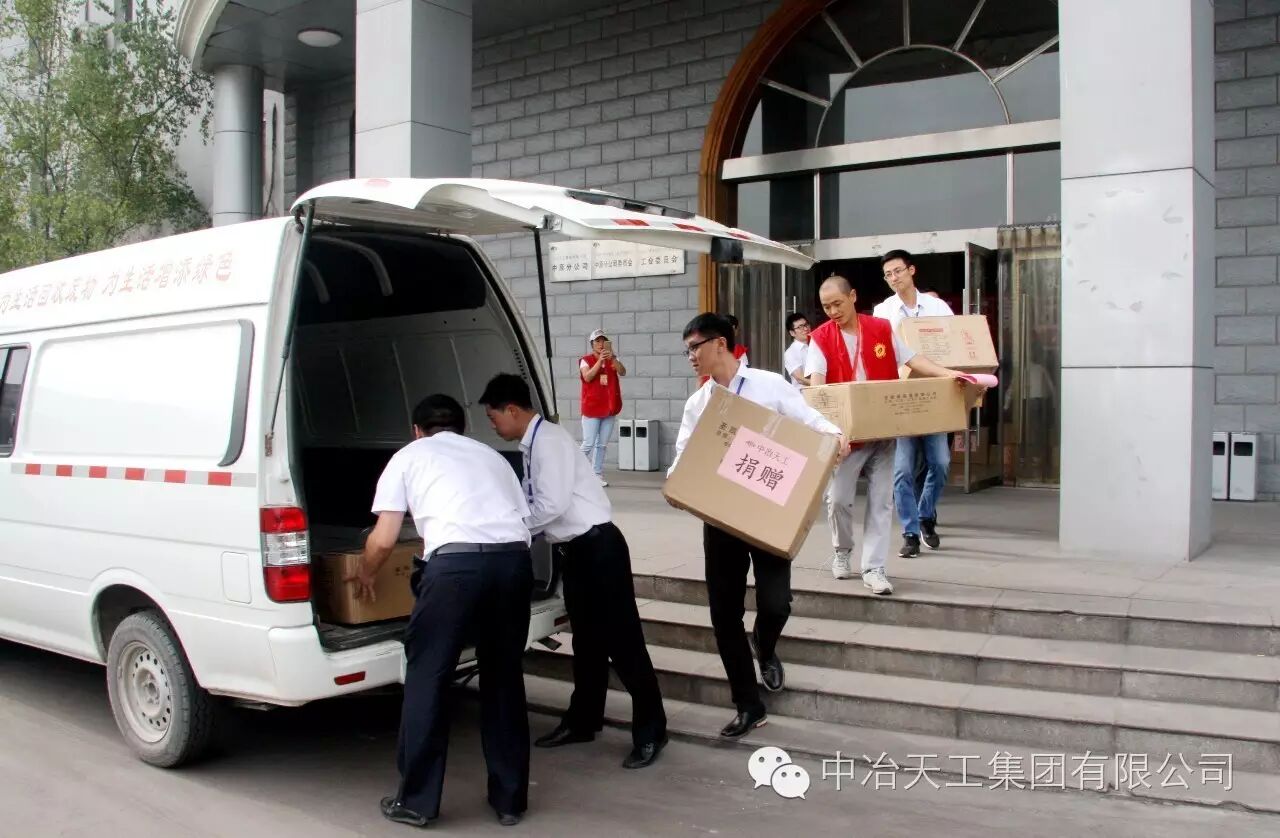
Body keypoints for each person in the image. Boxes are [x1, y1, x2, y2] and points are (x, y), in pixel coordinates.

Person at [348, 394, 533, 829]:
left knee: (428, 677)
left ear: (417, 430)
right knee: (503, 678)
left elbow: (383, 538)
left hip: (454, 569)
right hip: (513, 563)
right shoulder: (492, 457)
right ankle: (510, 800)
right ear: (462, 428)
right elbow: (521, 520)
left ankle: (416, 801)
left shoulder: (408, 457)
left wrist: (365, 573)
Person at [669, 314, 846, 739]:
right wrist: (676, 484)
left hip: (769, 516)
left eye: (695, 347)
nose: (690, 356)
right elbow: (682, 461)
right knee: (723, 614)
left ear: (721, 343)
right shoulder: (698, 405)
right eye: (687, 349)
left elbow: (810, 422)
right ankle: (748, 705)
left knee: (776, 603)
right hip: (721, 519)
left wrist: (835, 435)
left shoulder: (769, 385)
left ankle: (764, 645)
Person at [479, 373, 668, 770]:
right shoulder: (534, 442)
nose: (493, 425)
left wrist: (511, 531)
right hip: (577, 552)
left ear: (511, 410)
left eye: (493, 417)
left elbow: (551, 505)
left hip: (600, 549)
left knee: (623, 642)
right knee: (587, 643)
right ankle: (583, 720)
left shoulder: (549, 442)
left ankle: (652, 729)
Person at [805, 275, 965, 595]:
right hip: (846, 438)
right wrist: (828, 429)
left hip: (883, 433)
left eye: (837, 304)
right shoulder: (820, 338)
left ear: (853, 296)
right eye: (826, 307)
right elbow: (817, 387)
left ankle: (874, 568)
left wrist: (950, 374)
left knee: (881, 502)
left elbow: (913, 359)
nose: (833, 312)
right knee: (838, 500)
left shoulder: (880, 329)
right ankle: (842, 550)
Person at [871, 250, 957, 557]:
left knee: (940, 462)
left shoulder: (937, 307)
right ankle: (910, 531)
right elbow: (877, 353)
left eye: (898, 271)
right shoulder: (883, 311)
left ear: (911, 270)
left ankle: (925, 515)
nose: (893, 278)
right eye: (888, 274)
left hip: (935, 394)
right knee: (903, 469)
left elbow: (954, 345)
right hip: (901, 397)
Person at [580, 328, 625, 486]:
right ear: (592, 344)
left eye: (603, 341)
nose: (600, 344)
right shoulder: (585, 360)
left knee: (602, 445)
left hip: (609, 408)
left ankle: (597, 474)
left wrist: (613, 359)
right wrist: (600, 361)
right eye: (597, 341)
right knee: (588, 443)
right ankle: (571, 471)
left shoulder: (613, 358)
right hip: (592, 409)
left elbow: (622, 372)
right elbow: (587, 377)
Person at [783, 312, 812, 390]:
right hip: (804, 395)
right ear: (792, 333)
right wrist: (822, 384)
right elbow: (800, 379)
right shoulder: (791, 353)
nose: (805, 329)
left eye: (806, 325)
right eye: (800, 327)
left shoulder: (815, 346)